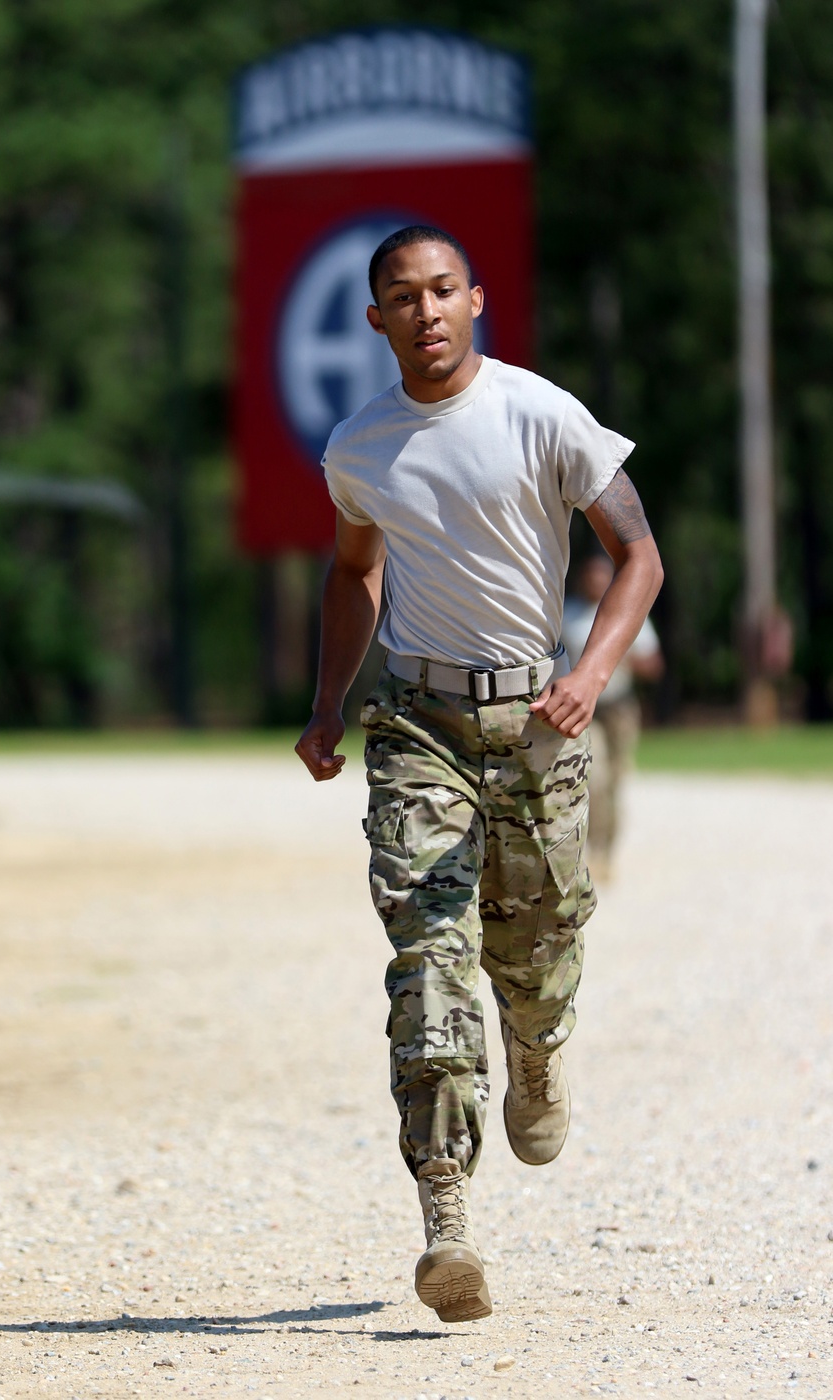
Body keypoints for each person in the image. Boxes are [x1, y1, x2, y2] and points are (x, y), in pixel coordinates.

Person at [295, 225, 663, 1325]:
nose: (426, 310)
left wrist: (590, 672)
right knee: (428, 956)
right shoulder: (359, 448)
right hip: (420, 723)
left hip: (538, 721)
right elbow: (353, 574)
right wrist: (327, 705)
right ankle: (445, 1211)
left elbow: (638, 552)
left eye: (443, 289)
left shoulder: (540, 413)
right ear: (376, 320)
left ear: (476, 299)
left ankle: (538, 1051)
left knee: (537, 948)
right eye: (402, 296)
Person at [562, 553, 664, 879]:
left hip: (619, 706)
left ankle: (608, 849)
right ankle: (591, 849)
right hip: (584, 709)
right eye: (589, 576)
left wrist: (624, 657)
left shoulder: (626, 614)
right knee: (595, 778)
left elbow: (654, 664)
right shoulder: (569, 616)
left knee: (616, 782)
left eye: (600, 576)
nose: (594, 582)